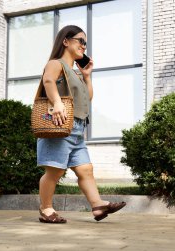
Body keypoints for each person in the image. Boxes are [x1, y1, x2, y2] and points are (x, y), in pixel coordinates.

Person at [37, 25, 126, 223]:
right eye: (80, 41)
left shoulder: (74, 73)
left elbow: (87, 98)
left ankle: (97, 206)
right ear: (66, 41)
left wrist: (86, 76)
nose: (84, 46)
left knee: (85, 169)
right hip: (60, 126)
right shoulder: (56, 63)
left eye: (86, 43)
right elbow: (48, 81)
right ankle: (46, 209)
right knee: (55, 171)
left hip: (77, 130)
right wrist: (57, 102)